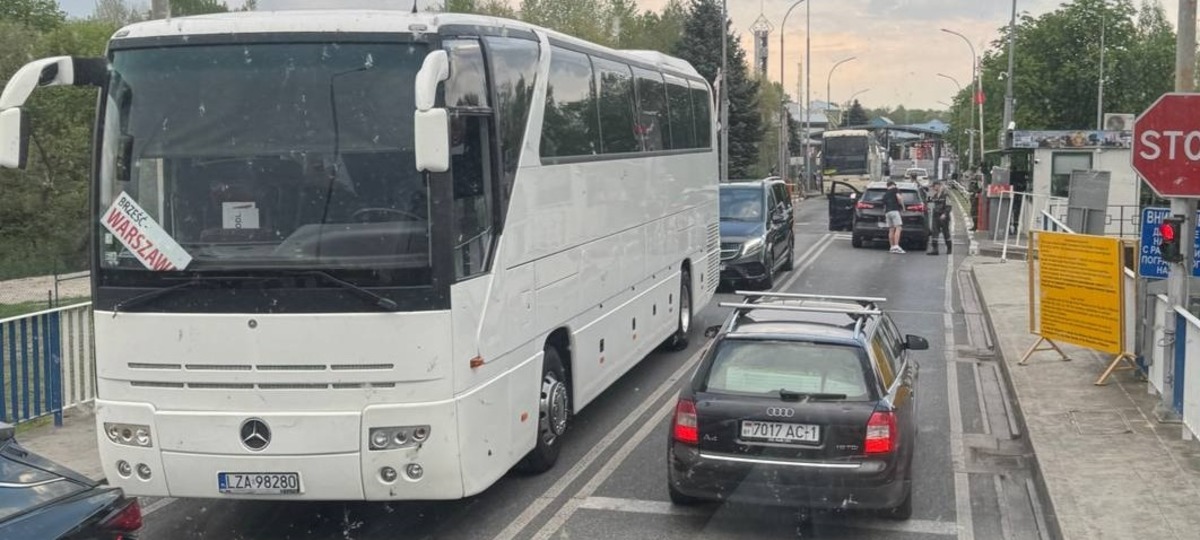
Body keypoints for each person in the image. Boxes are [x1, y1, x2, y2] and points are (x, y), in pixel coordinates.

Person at [926, 181, 952, 255]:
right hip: (936, 216)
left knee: (946, 232)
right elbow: (928, 200)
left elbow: (949, 206)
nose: (933, 188)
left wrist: (945, 214)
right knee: (935, 233)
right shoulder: (935, 195)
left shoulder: (945, 195)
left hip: (943, 217)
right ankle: (935, 250)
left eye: (934, 186)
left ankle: (949, 248)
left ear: (939, 186)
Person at [882, 181, 905, 254]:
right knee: (898, 227)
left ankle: (891, 247)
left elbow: (884, 205)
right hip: (895, 210)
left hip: (887, 212)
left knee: (891, 229)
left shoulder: (885, 194)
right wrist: (903, 207)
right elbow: (899, 198)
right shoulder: (895, 190)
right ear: (893, 185)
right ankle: (896, 246)